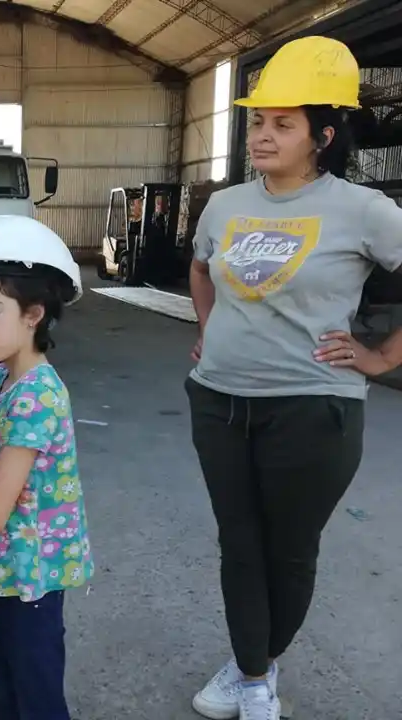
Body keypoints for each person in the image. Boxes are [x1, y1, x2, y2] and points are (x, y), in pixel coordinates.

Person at [185, 36, 402, 720]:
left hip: (313, 410)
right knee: (239, 544)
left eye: (284, 123)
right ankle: (254, 673)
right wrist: (208, 327)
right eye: (258, 121)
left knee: (289, 551)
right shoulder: (224, 205)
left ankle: (257, 667)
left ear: (324, 133)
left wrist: (382, 357)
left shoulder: (363, 210)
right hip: (218, 401)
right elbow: (199, 267)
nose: (264, 136)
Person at [0, 215, 95, 720]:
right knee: (4, 691)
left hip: (31, 579)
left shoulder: (37, 396)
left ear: (34, 313)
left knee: (37, 699)